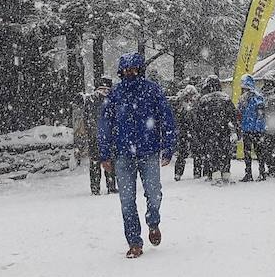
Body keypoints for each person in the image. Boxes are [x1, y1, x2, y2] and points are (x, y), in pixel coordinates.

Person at [97, 52, 176, 258]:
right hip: (123, 154)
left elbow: (167, 118)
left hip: (149, 151)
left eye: (133, 69)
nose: (130, 73)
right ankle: (134, 241)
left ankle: (153, 222)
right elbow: (104, 125)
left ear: (140, 70)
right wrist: (104, 154)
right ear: (121, 72)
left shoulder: (152, 91)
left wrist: (168, 146)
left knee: (154, 193)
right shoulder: (115, 95)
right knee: (127, 200)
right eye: (126, 70)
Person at [193, 76, 238, 184]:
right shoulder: (226, 98)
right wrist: (234, 129)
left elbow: (198, 118)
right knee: (225, 152)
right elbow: (233, 115)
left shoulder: (204, 99)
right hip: (225, 130)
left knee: (213, 152)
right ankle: (226, 174)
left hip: (210, 131)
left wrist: (199, 132)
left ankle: (216, 174)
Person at [82, 77, 118, 194]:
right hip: (102, 135)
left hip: (99, 135)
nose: (106, 91)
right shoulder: (105, 100)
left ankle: (99, 187)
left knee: (100, 162)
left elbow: (86, 118)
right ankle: (105, 186)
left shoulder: (92, 100)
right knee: (103, 161)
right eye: (104, 89)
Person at [237, 75, 267, 182]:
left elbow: (261, 114)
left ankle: (261, 172)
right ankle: (249, 173)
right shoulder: (244, 98)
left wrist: (258, 128)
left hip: (255, 130)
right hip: (248, 129)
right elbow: (239, 114)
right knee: (248, 153)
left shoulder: (256, 97)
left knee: (258, 152)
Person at [172, 80, 201, 181]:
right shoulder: (182, 104)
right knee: (184, 152)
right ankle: (179, 173)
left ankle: (194, 173)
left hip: (189, 130)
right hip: (186, 130)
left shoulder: (188, 104)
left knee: (195, 152)